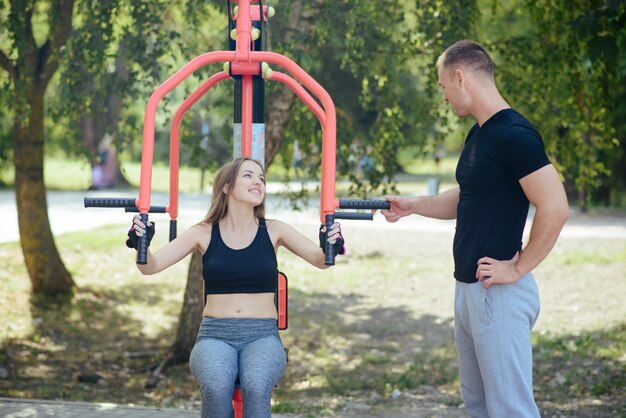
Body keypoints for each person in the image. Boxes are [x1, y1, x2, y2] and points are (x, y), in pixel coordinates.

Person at [381, 40, 569, 418]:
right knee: (479, 407)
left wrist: (517, 268)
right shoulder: (480, 134)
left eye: (442, 86)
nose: (444, 96)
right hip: (469, 290)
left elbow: (555, 207)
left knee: (510, 410)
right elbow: (470, 195)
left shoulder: (514, 133)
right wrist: (414, 207)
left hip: (498, 293)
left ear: (460, 77)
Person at [126, 157, 345, 418]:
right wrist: (143, 245)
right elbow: (151, 266)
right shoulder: (203, 233)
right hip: (214, 335)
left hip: (262, 335)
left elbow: (321, 261)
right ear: (227, 187)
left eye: (261, 178)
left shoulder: (274, 230)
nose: (258, 182)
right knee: (217, 386)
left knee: (255, 385)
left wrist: (330, 243)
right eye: (249, 176)